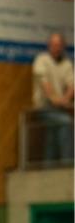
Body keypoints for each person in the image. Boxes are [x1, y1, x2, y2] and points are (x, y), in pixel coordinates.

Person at [33, 32, 74, 163]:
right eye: (54, 45)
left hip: (60, 107)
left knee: (52, 133)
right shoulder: (41, 60)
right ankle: (67, 164)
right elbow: (45, 85)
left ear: (63, 47)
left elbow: (72, 85)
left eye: (59, 45)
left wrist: (66, 99)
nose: (56, 47)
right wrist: (55, 100)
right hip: (43, 107)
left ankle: (49, 166)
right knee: (65, 121)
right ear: (49, 46)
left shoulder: (67, 63)